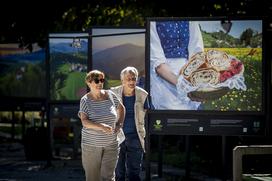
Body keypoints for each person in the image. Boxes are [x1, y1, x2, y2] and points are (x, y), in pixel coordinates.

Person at [78, 70, 125, 181]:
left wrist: (119, 124)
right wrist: (101, 126)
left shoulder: (110, 95)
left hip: (111, 144)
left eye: (102, 80)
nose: (100, 83)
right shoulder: (85, 100)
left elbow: (121, 108)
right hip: (91, 146)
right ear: (89, 83)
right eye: (96, 80)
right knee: (93, 178)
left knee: (108, 177)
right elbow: (84, 121)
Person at [150, 20, 205, 110]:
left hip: (188, 73)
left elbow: (197, 52)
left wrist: (196, 82)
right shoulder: (153, 21)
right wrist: (184, 85)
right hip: (164, 78)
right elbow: (158, 64)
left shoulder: (191, 19)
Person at [111, 66, 149, 181]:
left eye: (134, 78)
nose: (132, 81)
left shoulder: (143, 94)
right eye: (128, 79)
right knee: (118, 173)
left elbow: (149, 114)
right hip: (117, 137)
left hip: (136, 137)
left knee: (134, 173)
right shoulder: (112, 93)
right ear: (122, 80)